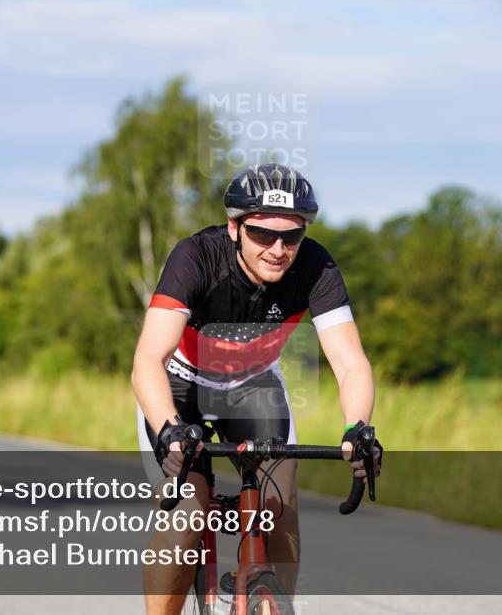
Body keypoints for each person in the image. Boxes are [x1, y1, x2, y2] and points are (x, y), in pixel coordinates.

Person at [132, 163, 381, 615]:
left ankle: (275, 606)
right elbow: (148, 360)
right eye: (263, 234)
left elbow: (349, 363)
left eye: (292, 236)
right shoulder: (196, 256)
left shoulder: (316, 266)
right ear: (234, 226)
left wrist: (358, 426)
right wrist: (169, 429)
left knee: (279, 505)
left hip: (253, 385)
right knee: (188, 513)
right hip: (180, 384)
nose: (279, 249)